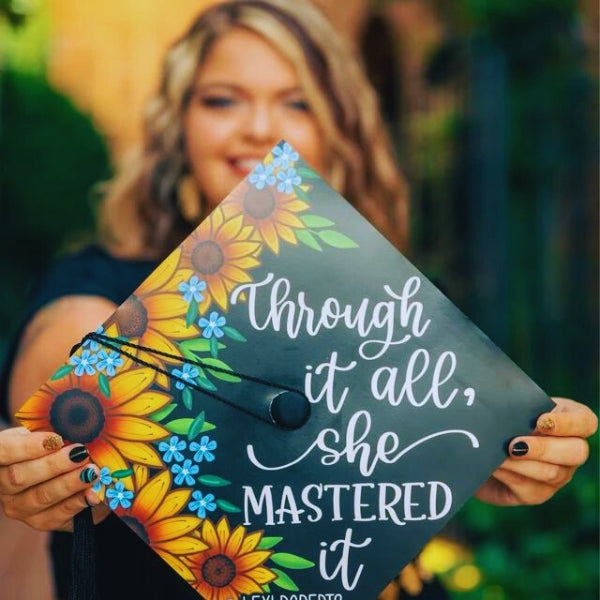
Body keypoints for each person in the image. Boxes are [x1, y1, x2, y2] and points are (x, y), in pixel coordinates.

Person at [0, 1, 596, 599]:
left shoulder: (371, 308)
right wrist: (59, 457)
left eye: (298, 101)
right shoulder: (97, 293)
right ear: (177, 127)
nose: (259, 127)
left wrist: (480, 455)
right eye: (222, 99)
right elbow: (67, 370)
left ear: (339, 133)